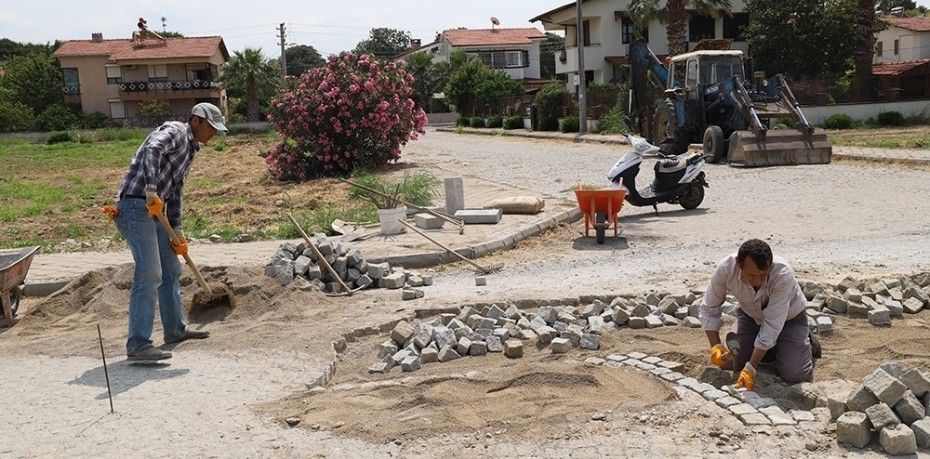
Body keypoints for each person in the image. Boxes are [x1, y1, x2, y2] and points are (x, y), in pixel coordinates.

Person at [113, 103, 227, 361]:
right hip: (135, 204)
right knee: (150, 272)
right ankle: (138, 345)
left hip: (156, 211)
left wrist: (178, 232)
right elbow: (152, 150)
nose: (213, 134)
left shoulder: (190, 151)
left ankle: (175, 329)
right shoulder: (176, 131)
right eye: (211, 127)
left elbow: (175, 192)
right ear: (195, 121)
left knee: (172, 270)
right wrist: (151, 189)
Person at [700, 239, 814, 390]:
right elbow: (709, 308)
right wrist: (715, 346)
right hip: (750, 317)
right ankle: (771, 349)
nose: (758, 281)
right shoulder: (726, 269)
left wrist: (751, 369)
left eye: (763, 275)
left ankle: (805, 340)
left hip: (789, 319)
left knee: (795, 375)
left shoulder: (782, 275)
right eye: (752, 275)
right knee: (731, 363)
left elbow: (772, 326)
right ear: (739, 264)